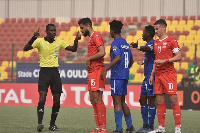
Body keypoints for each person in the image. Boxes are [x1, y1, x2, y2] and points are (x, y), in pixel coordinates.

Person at [23, 23, 81, 132]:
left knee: (57, 100)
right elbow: (25, 48)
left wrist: (76, 40)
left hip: (54, 72)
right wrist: (33, 37)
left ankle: (52, 125)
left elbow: (73, 49)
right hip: (44, 72)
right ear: (46, 31)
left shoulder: (59, 42)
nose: (54, 32)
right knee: (42, 97)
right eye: (51, 31)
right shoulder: (39, 41)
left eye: (55, 30)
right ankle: (40, 123)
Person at [101, 20, 135, 133]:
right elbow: (132, 60)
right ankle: (130, 127)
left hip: (117, 75)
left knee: (116, 102)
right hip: (125, 75)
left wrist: (106, 69)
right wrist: (125, 69)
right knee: (122, 101)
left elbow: (117, 57)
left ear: (112, 31)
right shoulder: (125, 43)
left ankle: (119, 129)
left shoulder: (115, 43)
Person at [149, 19, 182, 133]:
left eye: (157, 29)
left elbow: (179, 56)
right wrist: (152, 74)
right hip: (158, 75)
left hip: (169, 74)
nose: (155, 31)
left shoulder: (172, 41)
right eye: (155, 29)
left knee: (173, 100)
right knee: (159, 100)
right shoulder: (156, 42)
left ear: (164, 28)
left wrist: (165, 60)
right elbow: (155, 60)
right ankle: (161, 128)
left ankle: (177, 128)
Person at [78, 18, 108, 133]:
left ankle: (103, 128)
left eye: (82, 28)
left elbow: (102, 52)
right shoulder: (91, 38)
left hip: (97, 71)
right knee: (92, 98)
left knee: (97, 98)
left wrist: (89, 58)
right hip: (92, 71)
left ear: (88, 26)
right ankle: (98, 127)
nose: (81, 31)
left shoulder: (96, 36)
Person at [130, 25, 156, 133]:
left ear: (148, 34)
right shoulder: (148, 44)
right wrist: (144, 62)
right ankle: (145, 126)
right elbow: (151, 57)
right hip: (146, 77)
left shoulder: (152, 43)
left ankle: (150, 127)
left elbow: (149, 49)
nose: (142, 34)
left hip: (151, 76)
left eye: (144, 33)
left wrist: (138, 46)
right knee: (142, 99)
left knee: (150, 100)